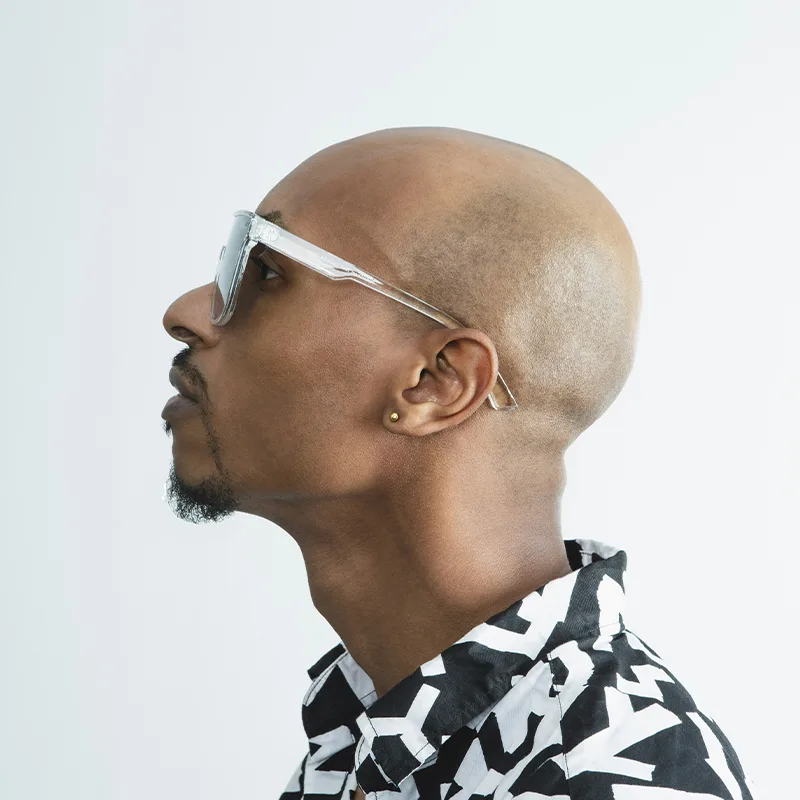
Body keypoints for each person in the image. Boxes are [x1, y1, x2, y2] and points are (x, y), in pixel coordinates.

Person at [161, 127, 757, 799]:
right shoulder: (378, 723)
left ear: (435, 383)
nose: (186, 313)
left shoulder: (614, 775)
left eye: (267, 274)